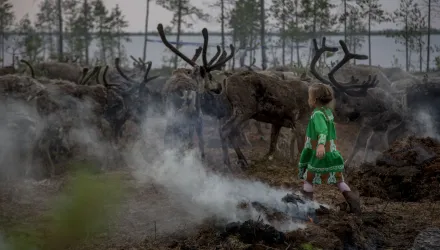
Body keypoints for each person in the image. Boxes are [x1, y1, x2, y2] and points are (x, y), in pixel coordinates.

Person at [297, 83, 361, 215]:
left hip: (320, 153)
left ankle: (307, 208)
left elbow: (323, 131)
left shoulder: (317, 115)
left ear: (313, 100)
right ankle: (354, 203)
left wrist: (320, 145)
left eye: (309, 96)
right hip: (331, 153)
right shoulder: (328, 112)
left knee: (308, 178)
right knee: (339, 180)